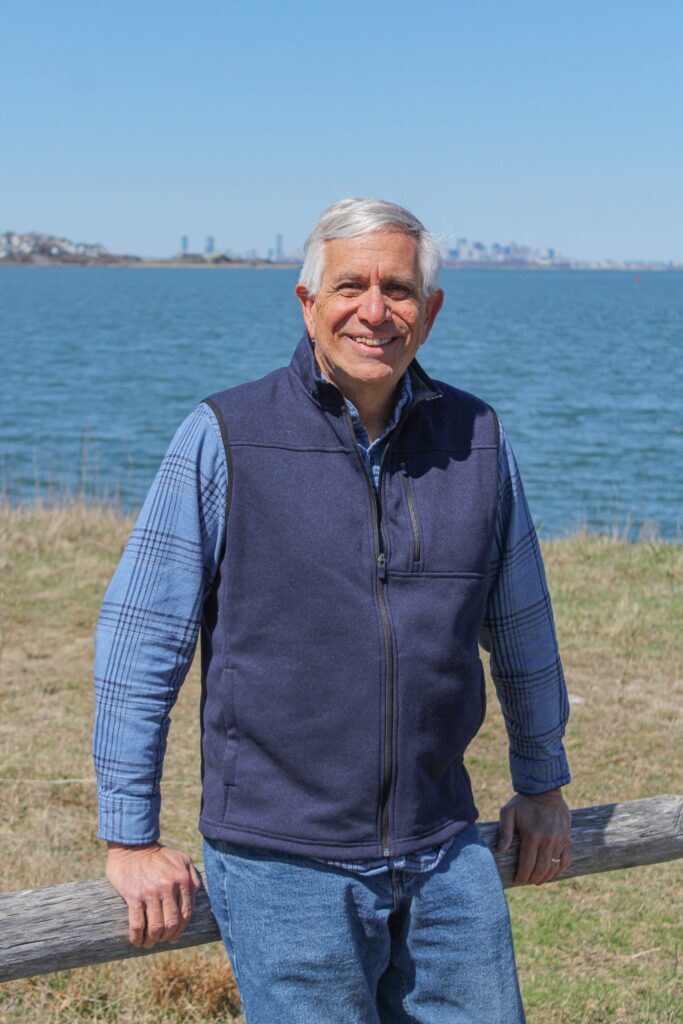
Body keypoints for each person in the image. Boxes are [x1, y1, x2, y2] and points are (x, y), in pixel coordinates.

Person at [94, 198, 571, 1023]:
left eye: (399, 288)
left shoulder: (478, 438)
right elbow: (141, 644)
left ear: (432, 309)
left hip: (444, 849)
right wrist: (129, 836)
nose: (375, 311)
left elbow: (522, 627)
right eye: (350, 285)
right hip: (282, 862)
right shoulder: (224, 435)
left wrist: (540, 780)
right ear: (307, 302)